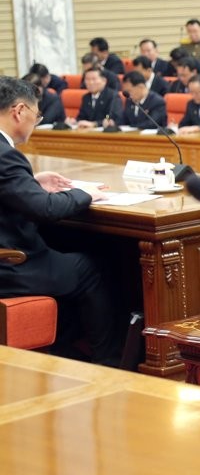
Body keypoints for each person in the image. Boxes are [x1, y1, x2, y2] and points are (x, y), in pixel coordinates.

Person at [0, 76, 122, 364]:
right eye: (36, 115)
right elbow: (47, 210)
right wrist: (84, 193)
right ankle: (109, 363)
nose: (36, 122)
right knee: (95, 267)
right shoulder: (6, 156)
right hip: (12, 267)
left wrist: (31, 182)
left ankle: (67, 350)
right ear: (19, 111)